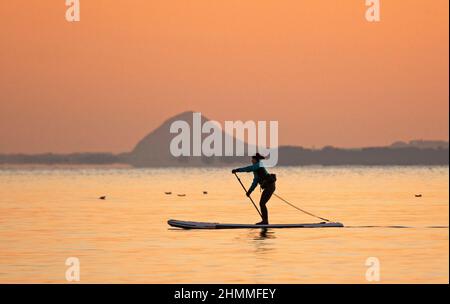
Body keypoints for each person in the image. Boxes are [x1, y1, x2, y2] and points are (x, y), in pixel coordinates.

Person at [232, 153, 276, 225]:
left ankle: (265, 221)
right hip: (269, 187)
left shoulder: (258, 165)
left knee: (262, 203)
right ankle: (265, 221)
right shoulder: (256, 170)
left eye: (252, 159)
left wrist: (237, 170)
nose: (251, 160)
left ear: (256, 160)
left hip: (270, 186)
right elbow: (255, 182)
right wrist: (249, 192)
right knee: (262, 203)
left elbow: (248, 168)